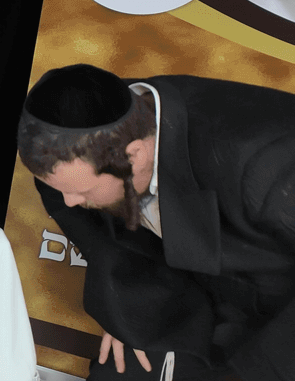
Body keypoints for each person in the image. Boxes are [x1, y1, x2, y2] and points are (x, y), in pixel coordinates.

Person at [18, 64, 295, 381]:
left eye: (83, 191)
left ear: (134, 156)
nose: (69, 201)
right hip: (201, 296)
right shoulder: (86, 132)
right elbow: (74, 210)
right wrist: (134, 305)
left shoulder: (266, 160)